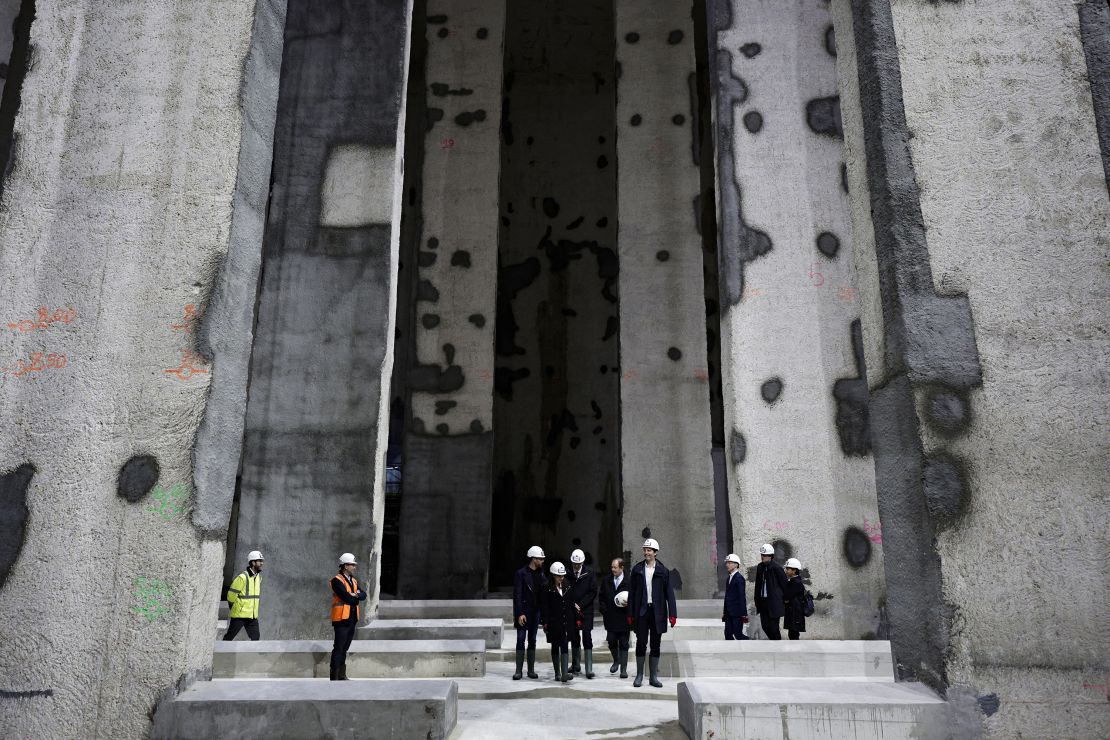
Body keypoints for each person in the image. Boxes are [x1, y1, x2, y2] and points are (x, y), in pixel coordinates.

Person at [627, 538, 677, 688]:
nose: (646, 552)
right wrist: (630, 613)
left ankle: (653, 677)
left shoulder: (663, 571)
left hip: (658, 612)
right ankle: (640, 675)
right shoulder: (636, 570)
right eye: (645, 550)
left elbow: (669, 594)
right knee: (641, 642)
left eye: (649, 550)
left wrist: (672, 614)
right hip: (642, 612)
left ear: (655, 552)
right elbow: (632, 593)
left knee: (656, 644)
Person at [329, 552, 367, 680]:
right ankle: (334, 676)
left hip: (352, 619)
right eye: (352, 565)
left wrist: (354, 595)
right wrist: (355, 596)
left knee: (345, 647)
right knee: (338, 647)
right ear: (345, 566)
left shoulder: (354, 581)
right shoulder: (336, 580)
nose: (354, 567)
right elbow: (346, 597)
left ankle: (341, 675)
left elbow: (364, 595)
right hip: (341, 619)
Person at [511, 545, 546, 680]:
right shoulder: (521, 573)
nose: (542, 561)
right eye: (540, 559)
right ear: (533, 559)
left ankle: (530, 670)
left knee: (532, 640)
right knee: (520, 639)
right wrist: (519, 613)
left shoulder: (542, 574)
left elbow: (543, 595)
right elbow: (517, 595)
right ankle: (518, 670)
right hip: (524, 612)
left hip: (535, 612)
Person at [541, 562, 579, 683]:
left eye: (562, 576)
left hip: (566, 621)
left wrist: (576, 617)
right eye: (559, 576)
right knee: (555, 645)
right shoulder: (547, 588)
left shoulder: (567, 585)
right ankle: (557, 672)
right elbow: (544, 606)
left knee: (564, 645)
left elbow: (571, 602)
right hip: (553, 622)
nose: (561, 578)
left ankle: (564, 674)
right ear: (553, 575)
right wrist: (545, 622)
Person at [567, 548, 598, 678]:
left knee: (586, 636)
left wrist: (581, 604)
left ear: (583, 563)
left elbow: (592, 591)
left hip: (586, 610)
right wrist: (572, 603)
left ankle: (589, 668)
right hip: (572, 609)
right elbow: (566, 589)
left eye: (578, 564)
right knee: (574, 636)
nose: (576, 566)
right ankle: (575, 664)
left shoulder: (589, 573)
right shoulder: (568, 573)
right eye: (574, 564)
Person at [598, 557, 630, 677]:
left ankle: (623, 670)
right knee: (611, 641)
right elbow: (601, 597)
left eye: (615, 567)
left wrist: (629, 605)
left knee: (624, 643)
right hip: (610, 617)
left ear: (622, 568)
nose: (612, 569)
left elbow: (634, 596)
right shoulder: (606, 580)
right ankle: (616, 660)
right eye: (611, 567)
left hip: (624, 617)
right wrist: (604, 610)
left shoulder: (629, 580)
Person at [224, 550, 264, 641]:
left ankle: (253, 655)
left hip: (252, 615)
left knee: (256, 639)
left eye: (262, 561)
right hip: (239, 615)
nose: (262, 563)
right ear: (253, 562)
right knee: (229, 638)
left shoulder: (258, 577)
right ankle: (220, 654)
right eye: (259, 561)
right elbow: (231, 595)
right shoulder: (242, 577)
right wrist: (234, 607)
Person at [753, 543, 787, 640]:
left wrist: (784, 600)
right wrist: (757, 600)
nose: (762, 557)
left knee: (774, 627)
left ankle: (777, 645)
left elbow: (784, 585)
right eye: (761, 555)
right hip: (763, 602)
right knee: (765, 626)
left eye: (764, 555)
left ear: (771, 556)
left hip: (774, 603)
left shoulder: (777, 568)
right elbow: (757, 585)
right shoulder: (760, 567)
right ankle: (774, 642)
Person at [721, 553, 749, 640]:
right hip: (729, 613)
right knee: (728, 634)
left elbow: (742, 596)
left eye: (729, 563)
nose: (727, 565)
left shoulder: (739, 578)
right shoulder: (729, 578)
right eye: (727, 563)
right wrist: (724, 612)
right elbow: (727, 596)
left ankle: (750, 643)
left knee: (738, 635)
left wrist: (744, 614)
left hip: (737, 613)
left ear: (736, 564)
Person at [782, 557, 807, 640]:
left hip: (795, 614)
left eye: (788, 569)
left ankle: (796, 652)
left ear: (794, 570)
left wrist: (786, 599)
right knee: (792, 634)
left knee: (793, 635)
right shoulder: (793, 581)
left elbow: (786, 596)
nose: (786, 570)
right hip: (793, 613)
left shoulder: (796, 583)